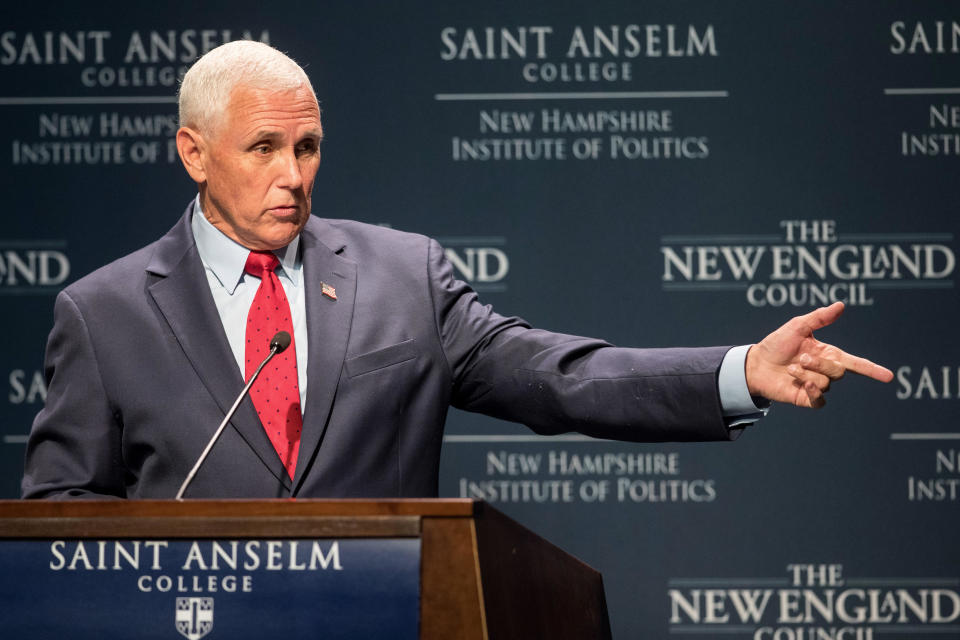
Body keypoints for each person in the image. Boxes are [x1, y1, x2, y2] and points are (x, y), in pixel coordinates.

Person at [20, 41, 892, 500]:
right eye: (264, 149)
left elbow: (563, 380)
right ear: (194, 153)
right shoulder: (104, 315)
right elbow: (62, 529)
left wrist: (741, 371)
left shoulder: (403, 276)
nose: (294, 174)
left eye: (309, 146)